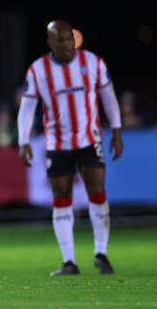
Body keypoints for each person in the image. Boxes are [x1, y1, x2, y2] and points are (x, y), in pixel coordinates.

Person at [17, 20, 124, 276]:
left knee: (97, 191)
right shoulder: (38, 70)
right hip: (57, 143)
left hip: (90, 139)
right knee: (61, 197)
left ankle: (101, 253)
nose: (66, 44)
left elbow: (108, 96)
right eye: (60, 40)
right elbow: (27, 108)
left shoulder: (93, 62)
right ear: (50, 42)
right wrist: (24, 140)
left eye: (69, 38)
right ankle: (69, 261)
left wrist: (117, 130)